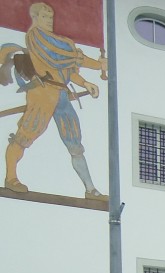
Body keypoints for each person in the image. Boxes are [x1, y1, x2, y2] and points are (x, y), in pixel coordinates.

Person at [0, 2, 107, 199]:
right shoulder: (37, 38)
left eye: (50, 17)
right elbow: (62, 58)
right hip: (42, 93)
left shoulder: (59, 42)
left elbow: (68, 70)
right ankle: (10, 177)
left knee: (75, 143)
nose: (49, 20)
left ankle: (91, 189)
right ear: (35, 18)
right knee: (25, 136)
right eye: (44, 17)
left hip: (62, 96)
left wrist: (85, 83)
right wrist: (96, 64)